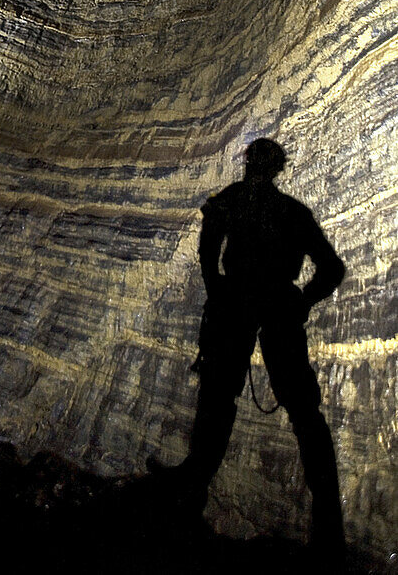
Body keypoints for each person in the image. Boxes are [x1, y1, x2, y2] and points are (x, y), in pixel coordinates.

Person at [159, 138, 346, 552]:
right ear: (279, 168)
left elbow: (209, 248)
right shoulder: (293, 213)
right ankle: (329, 525)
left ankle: (191, 493)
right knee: (303, 412)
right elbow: (331, 268)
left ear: (249, 164)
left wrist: (218, 291)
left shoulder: (232, 199)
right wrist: (301, 299)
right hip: (277, 307)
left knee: (217, 399)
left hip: (239, 305)